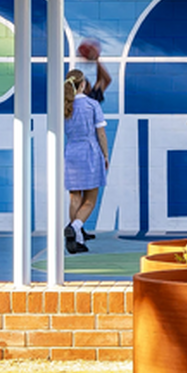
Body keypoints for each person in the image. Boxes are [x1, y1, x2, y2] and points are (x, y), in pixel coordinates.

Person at [62, 69, 108, 254]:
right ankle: (74, 228)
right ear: (82, 85)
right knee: (90, 200)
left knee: (75, 197)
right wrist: (105, 154)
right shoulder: (92, 104)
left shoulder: (64, 105)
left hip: (71, 152)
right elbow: (101, 134)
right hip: (90, 152)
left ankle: (76, 237)